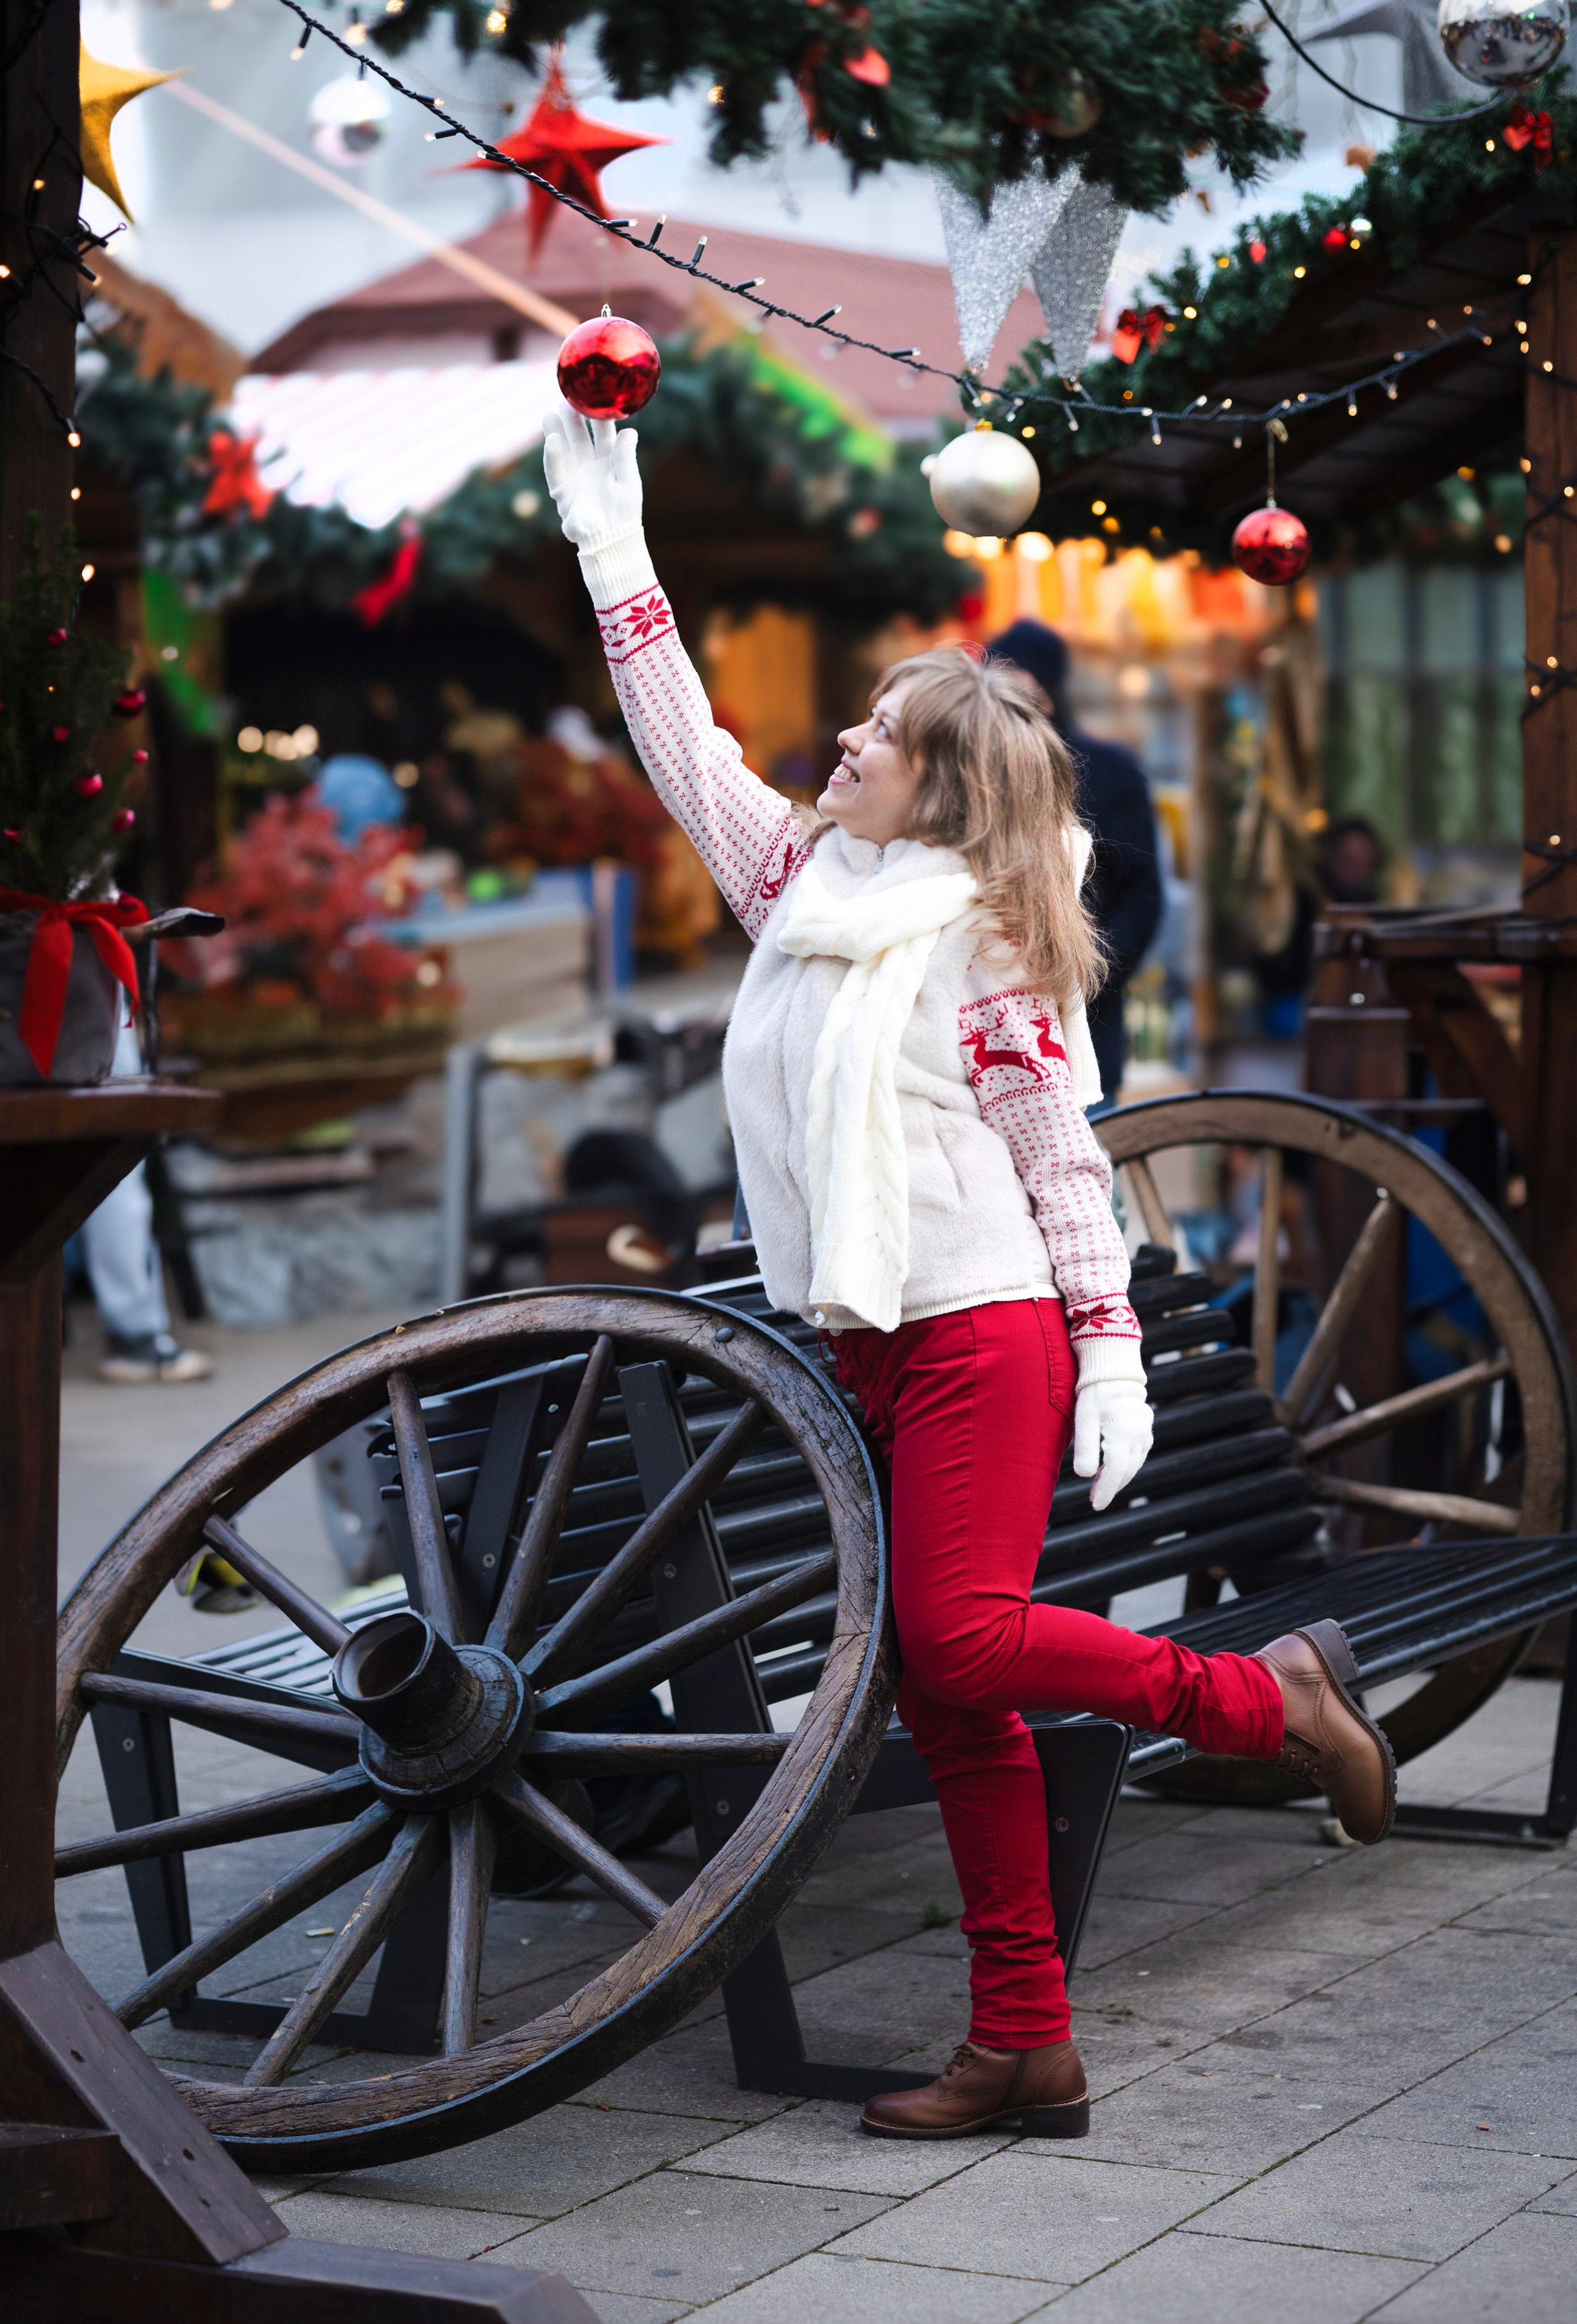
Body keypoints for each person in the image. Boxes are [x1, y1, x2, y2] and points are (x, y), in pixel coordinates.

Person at [542, 409, 1396, 2143]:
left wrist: (1110, 1347)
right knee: (955, 1699)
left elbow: (1063, 1160)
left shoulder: (989, 945)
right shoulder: (798, 883)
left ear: (939, 785)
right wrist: (607, 529)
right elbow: (677, 732)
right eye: (861, 718)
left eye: (881, 730)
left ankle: (1268, 1698)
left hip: (983, 1331)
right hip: (862, 1339)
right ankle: (1024, 2040)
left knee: (964, 1634)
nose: (846, 739)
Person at [990, 620, 1162, 1107]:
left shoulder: (1110, 774)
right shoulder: (970, 774)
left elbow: (1141, 899)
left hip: (1085, 1029)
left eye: (1020, 684)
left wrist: (1080, 976)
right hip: (987, 1028)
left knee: (1086, 1142)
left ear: (1048, 693)